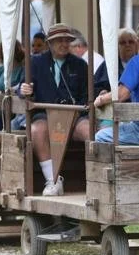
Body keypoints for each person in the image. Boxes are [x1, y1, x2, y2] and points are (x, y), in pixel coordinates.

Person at [19, 23, 90, 196]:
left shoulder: (80, 65)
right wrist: (23, 90)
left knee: (90, 131)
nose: (64, 44)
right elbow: (22, 89)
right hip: (44, 115)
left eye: (67, 40)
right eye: (59, 40)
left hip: (73, 116)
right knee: (36, 130)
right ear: (49, 43)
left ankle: (95, 181)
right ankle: (53, 180)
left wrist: (79, 112)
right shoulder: (35, 63)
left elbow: (87, 95)